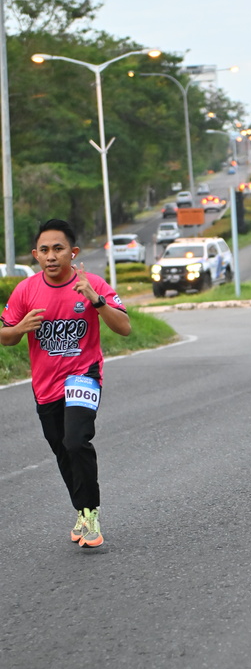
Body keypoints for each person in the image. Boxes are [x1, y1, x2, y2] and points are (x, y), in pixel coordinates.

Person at [0, 219, 131, 547]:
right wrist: (19, 329)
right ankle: (81, 510)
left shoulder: (92, 284)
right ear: (35, 255)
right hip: (46, 385)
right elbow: (5, 336)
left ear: (73, 252)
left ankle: (90, 514)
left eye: (58, 249)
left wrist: (96, 300)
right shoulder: (26, 290)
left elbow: (124, 328)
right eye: (44, 250)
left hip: (83, 376)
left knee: (75, 441)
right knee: (61, 448)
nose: (51, 256)